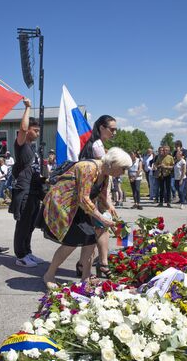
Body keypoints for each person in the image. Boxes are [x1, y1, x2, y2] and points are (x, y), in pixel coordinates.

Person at [41, 148, 132, 287]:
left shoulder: (106, 174)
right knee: (70, 243)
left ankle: (85, 278)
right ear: (113, 163)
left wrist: (110, 207)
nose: (123, 172)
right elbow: (84, 198)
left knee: (90, 239)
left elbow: (101, 195)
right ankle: (49, 275)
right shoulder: (88, 168)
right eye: (123, 168)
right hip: (64, 206)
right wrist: (101, 218)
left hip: (79, 208)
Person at [77, 114, 117, 277]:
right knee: (99, 229)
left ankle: (85, 266)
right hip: (91, 197)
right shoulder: (97, 146)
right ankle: (100, 265)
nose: (114, 133)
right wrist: (107, 202)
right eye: (112, 129)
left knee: (96, 232)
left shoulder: (94, 143)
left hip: (92, 195)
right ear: (102, 128)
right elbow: (105, 173)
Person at [8, 98, 46, 267]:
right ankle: (20, 256)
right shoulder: (21, 145)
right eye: (35, 130)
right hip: (24, 191)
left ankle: (28, 251)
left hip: (34, 191)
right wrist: (28, 107)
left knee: (30, 225)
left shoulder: (33, 149)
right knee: (22, 224)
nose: (37, 133)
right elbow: (22, 128)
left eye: (38, 130)